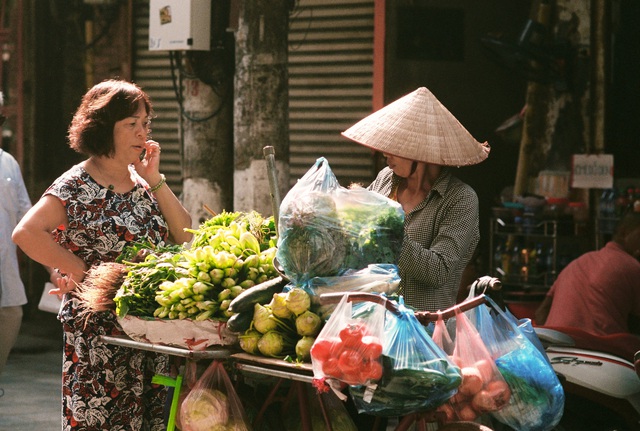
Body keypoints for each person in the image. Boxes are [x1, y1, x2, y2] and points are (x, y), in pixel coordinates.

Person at [12, 79, 193, 430]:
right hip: (99, 340)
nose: (143, 134)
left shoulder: (143, 183)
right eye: (131, 125)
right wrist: (77, 269)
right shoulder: (75, 185)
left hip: (149, 334)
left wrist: (155, 179)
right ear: (101, 130)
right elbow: (26, 232)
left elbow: (184, 231)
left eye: (145, 124)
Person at [341, 87, 490, 312]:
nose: (386, 154)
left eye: (395, 147)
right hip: (373, 320)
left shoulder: (460, 199)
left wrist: (389, 231)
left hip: (424, 329)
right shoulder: (386, 180)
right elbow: (358, 234)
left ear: (421, 152)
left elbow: (439, 271)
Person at [535, 210, 640, 340]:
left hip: (555, 346)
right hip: (604, 350)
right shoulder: (632, 266)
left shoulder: (577, 263)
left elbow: (541, 313)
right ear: (624, 233)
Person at [0, 143, 32, 378]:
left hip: (6, 276)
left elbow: (27, 219)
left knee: (12, 316)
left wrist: (53, 268)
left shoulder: (8, 162)